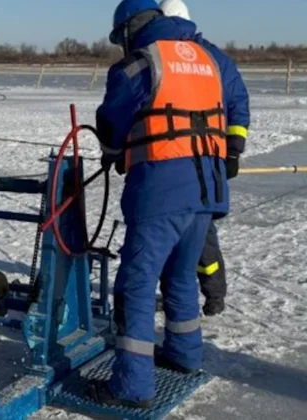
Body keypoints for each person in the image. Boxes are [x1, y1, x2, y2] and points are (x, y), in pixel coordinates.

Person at [90, 0, 236, 407]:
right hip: (207, 192)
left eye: (122, 37)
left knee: (136, 286)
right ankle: (183, 355)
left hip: (161, 192)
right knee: (180, 276)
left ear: (131, 28)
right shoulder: (207, 58)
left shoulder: (140, 63)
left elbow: (112, 122)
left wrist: (113, 150)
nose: (122, 45)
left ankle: (132, 388)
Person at [157, 0, 251, 316]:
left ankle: (213, 294)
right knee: (173, 232)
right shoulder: (160, 56)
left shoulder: (213, 59)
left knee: (201, 233)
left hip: (205, 160)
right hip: (173, 159)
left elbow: (237, 101)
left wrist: (233, 149)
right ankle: (175, 293)